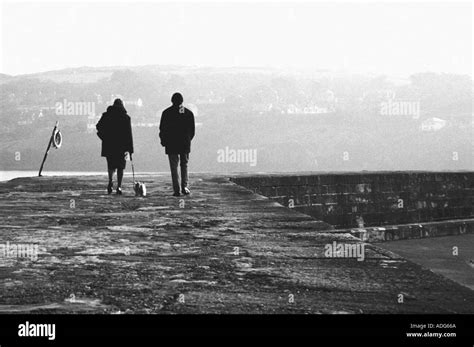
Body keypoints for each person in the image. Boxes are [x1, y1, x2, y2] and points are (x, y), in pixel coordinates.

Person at [159, 92, 195, 196]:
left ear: (172, 101)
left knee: (174, 166)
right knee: (184, 165)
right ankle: (184, 187)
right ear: (182, 101)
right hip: (184, 144)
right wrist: (188, 140)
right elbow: (192, 131)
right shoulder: (188, 113)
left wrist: (164, 141)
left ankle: (176, 189)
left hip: (171, 144)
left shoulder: (166, 113)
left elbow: (162, 129)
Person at [96, 99, 134, 195]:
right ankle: (119, 187)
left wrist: (104, 137)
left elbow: (98, 127)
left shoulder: (106, 115)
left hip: (110, 145)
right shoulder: (126, 118)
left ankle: (110, 181)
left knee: (111, 165)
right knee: (121, 167)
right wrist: (130, 150)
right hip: (122, 146)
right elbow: (129, 135)